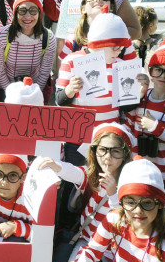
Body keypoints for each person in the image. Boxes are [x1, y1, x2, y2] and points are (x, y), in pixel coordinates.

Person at [38, 122, 135, 262]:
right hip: (88, 240)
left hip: (116, 247)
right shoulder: (91, 177)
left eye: (115, 151)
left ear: (125, 155)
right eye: (102, 150)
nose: (108, 157)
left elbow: (129, 219)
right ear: (94, 152)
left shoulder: (130, 182)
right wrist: (56, 165)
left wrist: (113, 194)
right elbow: (73, 172)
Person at [56, 11, 148, 165]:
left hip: (107, 138)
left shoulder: (120, 65)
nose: (119, 52)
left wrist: (140, 93)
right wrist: (70, 89)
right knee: (76, 179)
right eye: (115, 48)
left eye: (121, 48)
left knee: (103, 183)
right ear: (99, 43)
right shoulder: (72, 61)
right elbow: (59, 101)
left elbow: (125, 106)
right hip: (77, 138)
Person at [125, 39, 165, 183]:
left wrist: (154, 126)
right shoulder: (142, 95)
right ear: (151, 72)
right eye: (158, 70)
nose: (163, 76)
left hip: (161, 170)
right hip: (134, 165)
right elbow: (127, 124)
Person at [0, 0, 56, 103]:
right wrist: (13, 94)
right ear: (15, 13)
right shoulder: (2, 35)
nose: (27, 16)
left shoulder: (48, 37)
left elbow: (45, 70)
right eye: (22, 11)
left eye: (33, 11)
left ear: (39, 13)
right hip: (4, 88)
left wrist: (32, 94)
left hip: (34, 89)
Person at [57, 0, 138, 74]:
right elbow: (62, 72)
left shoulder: (123, 38)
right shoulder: (73, 39)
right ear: (83, 9)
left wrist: (141, 79)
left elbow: (133, 71)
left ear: (111, 7)